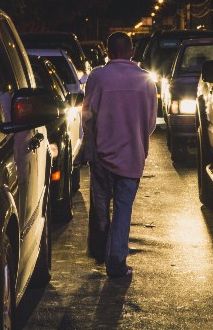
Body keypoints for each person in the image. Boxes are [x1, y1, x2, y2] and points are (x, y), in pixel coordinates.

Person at [82, 31, 157, 278]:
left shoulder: (98, 77)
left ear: (107, 51)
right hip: (132, 157)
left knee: (101, 207)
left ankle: (100, 248)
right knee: (124, 209)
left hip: (103, 156)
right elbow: (151, 123)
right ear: (131, 51)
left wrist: (92, 145)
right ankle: (116, 261)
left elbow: (88, 116)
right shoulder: (146, 81)